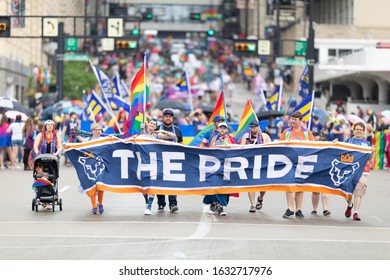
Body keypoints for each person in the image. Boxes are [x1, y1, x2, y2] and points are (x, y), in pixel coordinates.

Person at [134, 118, 176, 215]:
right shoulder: (142, 135)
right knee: (144, 187)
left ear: (155, 126)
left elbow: (173, 135)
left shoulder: (157, 135)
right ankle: (146, 200)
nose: (152, 124)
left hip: (154, 163)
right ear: (147, 124)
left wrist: (162, 131)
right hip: (143, 163)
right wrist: (140, 131)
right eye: (151, 123)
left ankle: (149, 206)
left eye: (154, 123)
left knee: (152, 185)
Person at [279, 111, 314, 219]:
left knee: (300, 186)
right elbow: (279, 144)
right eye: (291, 119)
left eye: (295, 119)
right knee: (289, 185)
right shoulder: (286, 132)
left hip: (303, 162)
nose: (292, 121)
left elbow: (314, 146)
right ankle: (290, 208)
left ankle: (298, 209)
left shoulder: (307, 133)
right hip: (289, 162)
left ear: (301, 121)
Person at [343, 122, 375, 221]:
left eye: (361, 130)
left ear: (363, 131)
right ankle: (350, 205)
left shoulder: (366, 144)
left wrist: (372, 152)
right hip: (350, 170)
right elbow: (341, 153)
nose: (359, 131)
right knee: (347, 192)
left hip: (363, 170)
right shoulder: (348, 141)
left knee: (359, 191)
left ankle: (356, 212)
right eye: (357, 129)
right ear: (353, 130)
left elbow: (370, 159)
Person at [204, 122, 236, 216]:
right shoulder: (213, 138)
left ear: (226, 130)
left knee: (223, 186)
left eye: (224, 128)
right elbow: (210, 149)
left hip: (225, 165)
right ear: (217, 129)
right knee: (213, 184)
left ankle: (221, 207)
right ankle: (214, 203)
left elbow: (235, 150)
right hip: (214, 165)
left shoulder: (230, 139)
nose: (222, 129)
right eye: (220, 128)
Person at [240, 120, 271, 213]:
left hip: (262, 163)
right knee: (251, 184)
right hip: (250, 163)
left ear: (258, 127)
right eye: (251, 127)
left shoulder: (265, 136)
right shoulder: (246, 136)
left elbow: (272, 149)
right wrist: (246, 146)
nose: (253, 129)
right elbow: (239, 149)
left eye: (254, 127)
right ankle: (252, 205)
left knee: (263, 186)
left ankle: (260, 198)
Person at [156, 109, 183, 212]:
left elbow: (181, 144)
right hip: (159, 159)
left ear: (172, 118)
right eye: (166, 116)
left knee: (172, 182)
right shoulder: (157, 129)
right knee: (159, 182)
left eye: (170, 116)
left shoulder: (177, 130)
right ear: (163, 118)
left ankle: (173, 204)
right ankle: (161, 203)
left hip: (173, 159)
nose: (168, 118)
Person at [75, 123, 106, 214]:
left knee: (100, 186)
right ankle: (93, 206)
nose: (99, 131)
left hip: (100, 166)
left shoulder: (104, 140)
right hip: (90, 166)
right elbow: (78, 144)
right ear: (93, 131)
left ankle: (100, 203)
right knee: (91, 186)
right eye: (97, 129)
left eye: (100, 129)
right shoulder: (87, 140)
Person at [311, 130, 331, 216]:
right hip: (314, 169)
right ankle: (314, 209)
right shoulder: (309, 144)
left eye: (316, 135)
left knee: (325, 190)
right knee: (315, 191)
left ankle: (326, 209)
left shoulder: (326, 143)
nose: (315, 137)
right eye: (314, 135)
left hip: (325, 168)